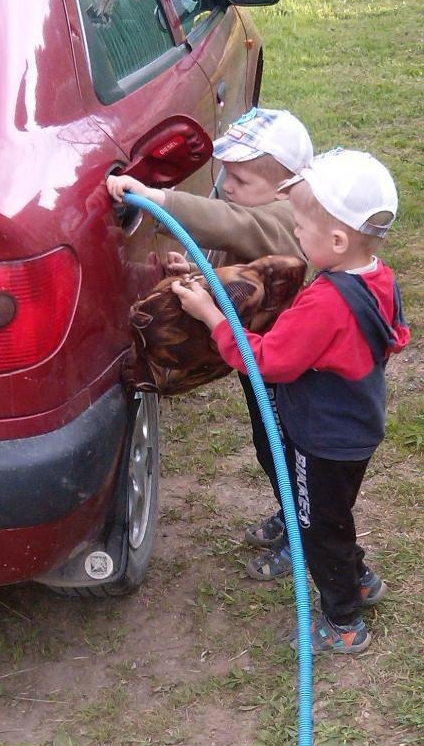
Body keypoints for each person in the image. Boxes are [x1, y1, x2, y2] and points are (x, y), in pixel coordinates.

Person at [173, 148, 410, 656]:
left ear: (338, 239)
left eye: (301, 225)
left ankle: (343, 620)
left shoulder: (326, 301)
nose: (295, 233)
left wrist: (211, 316)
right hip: (360, 425)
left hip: (321, 439)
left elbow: (267, 363)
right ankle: (360, 578)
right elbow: (397, 335)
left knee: (312, 526)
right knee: (331, 514)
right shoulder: (378, 277)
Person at [107, 106, 311, 558]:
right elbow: (241, 267)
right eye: (228, 177)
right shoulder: (269, 213)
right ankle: (294, 512)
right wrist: (199, 271)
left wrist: (157, 198)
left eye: (241, 181)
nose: (229, 189)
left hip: (289, 371)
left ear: (285, 186)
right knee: (269, 445)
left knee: (291, 451)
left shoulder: (289, 218)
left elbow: (237, 226)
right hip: (259, 361)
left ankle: (305, 536)